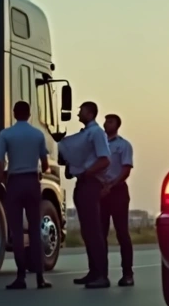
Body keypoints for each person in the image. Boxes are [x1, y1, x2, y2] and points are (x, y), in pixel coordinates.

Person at [0, 101, 52, 290]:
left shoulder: (6, 134)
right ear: (29, 113)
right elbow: (45, 163)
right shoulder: (37, 134)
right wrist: (40, 171)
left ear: (14, 113)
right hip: (32, 182)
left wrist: (3, 179)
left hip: (15, 182)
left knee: (17, 232)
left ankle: (20, 277)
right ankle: (40, 277)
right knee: (35, 230)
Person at [57, 101, 112, 289]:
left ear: (89, 113)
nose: (78, 113)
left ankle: (102, 275)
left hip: (90, 183)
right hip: (83, 182)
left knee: (94, 230)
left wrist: (87, 172)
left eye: (81, 111)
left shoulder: (96, 133)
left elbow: (105, 159)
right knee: (87, 230)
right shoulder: (86, 134)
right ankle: (94, 272)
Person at [100, 114, 135, 287]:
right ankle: (101, 273)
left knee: (122, 233)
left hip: (118, 191)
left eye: (110, 121)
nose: (106, 124)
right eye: (105, 121)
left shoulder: (123, 145)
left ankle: (127, 273)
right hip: (101, 192)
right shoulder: (99, 145)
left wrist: (112, 185)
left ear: (117, 125)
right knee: (100, 234)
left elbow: (126, 169)